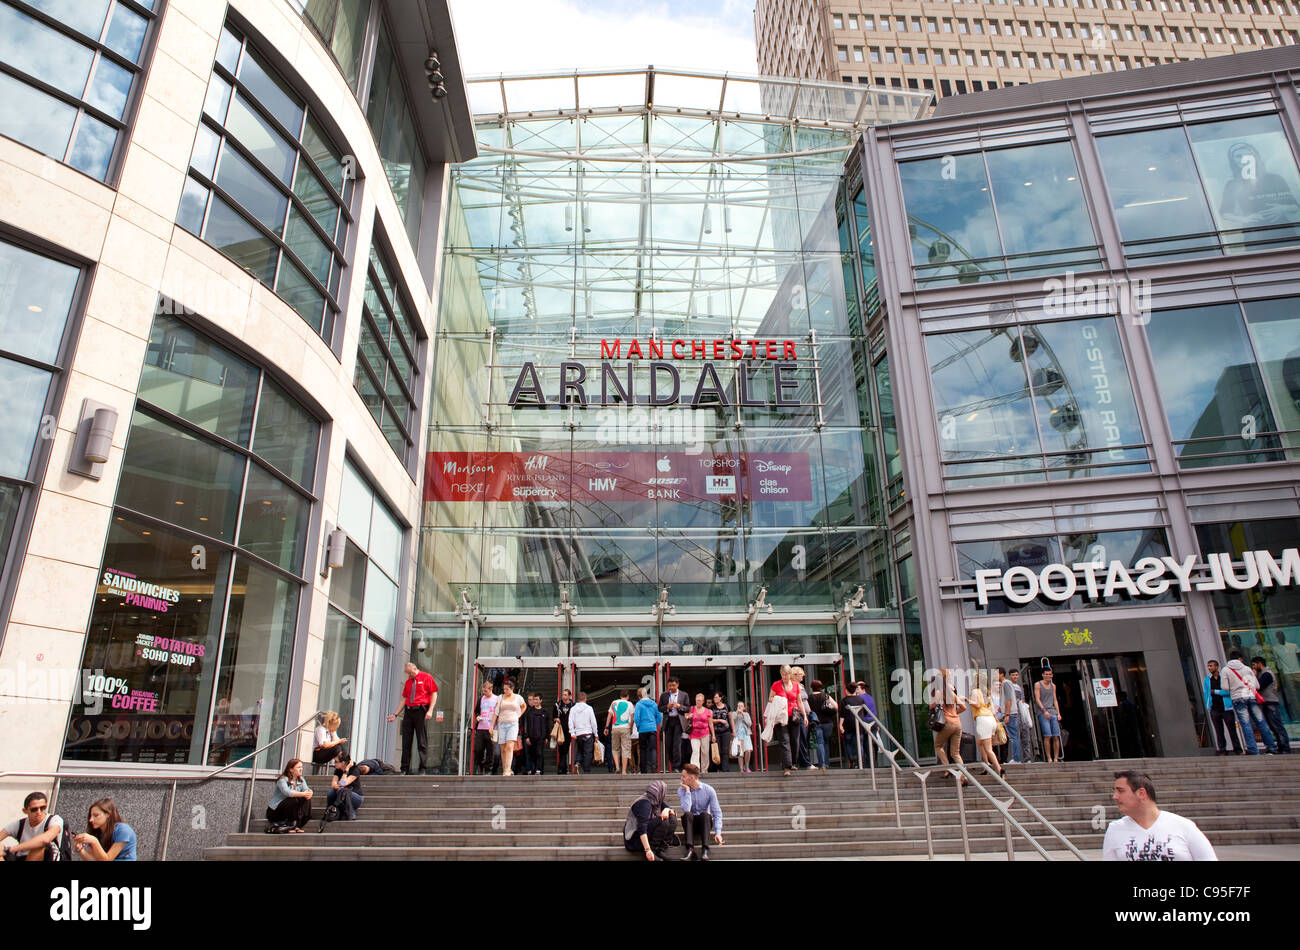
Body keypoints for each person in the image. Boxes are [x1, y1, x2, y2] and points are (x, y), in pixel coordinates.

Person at [1102, 771, 1217, 861]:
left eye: (1121, 791)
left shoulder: (1183, 826)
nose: (1115, 797)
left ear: (1141, 793)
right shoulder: (1115, 829)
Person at [386, 661, 437, 775]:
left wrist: (430, 710)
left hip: (421, 710)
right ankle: (404, 768)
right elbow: (404, 699)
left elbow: (434, 693)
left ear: (415, 668)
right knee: (406, 741)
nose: (409, 676)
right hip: (409, 711)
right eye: (408, 674)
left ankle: (422, 768)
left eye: (410, 673)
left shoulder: (426, 677)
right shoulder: (408, 682)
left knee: (421, 741)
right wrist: (395, 714)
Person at [1224, 650, 1278, 754]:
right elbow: (1257, 686)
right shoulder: (1247, 668)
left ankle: (1253, 750)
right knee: (1261, 721)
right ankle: (1271, 747)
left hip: (1238, 698)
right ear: (1240, 659)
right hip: (1251, 696)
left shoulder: (1226, 670)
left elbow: (1225, 687)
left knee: (1245, 724)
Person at [677, 764, 724, 861]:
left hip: (704, 824)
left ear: (692, 778)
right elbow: (686, 809)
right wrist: (687, 791)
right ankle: (690, 849)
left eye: (684, 776)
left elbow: (717, 812)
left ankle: (705, 850)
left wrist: (718, 832)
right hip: (690, 824)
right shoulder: (682, 790)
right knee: (688, 815)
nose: (681, 779)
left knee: (705, 815)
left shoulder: (709, 790)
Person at [931, 668, 968, 784]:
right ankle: (964, 777)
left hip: (947, 724)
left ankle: (948, 768)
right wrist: (954, 714)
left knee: (937, 745)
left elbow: (932, 706)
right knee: (955, 753)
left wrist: (931, 704)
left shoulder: (939, 692)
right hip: (958, 724)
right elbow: (964, 707)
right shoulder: (951, 692)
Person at [623, 780, 677, 861]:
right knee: (663, 820)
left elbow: (673, 812)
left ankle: (660, 849)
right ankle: (653, 850)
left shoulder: (655, 799)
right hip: (635, 840)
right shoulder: (644, 803)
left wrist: (667, 809)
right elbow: (642, 828)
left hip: (646, 834)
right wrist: (648, 850)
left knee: (672, 818)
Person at [2, 792, 64, 861]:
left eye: (43, 808)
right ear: (25, 811)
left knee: (38, 846)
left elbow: (45, 839)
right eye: (34, 809)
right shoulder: (19, 824)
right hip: (21, 857)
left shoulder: (55, 820)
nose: (39, 812)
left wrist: (11, 849)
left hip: (46, 857)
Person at [1251, 656, 1291, 754]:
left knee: (1277, 726)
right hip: (1268, 703)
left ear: (1259, 663)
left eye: (1254, 665)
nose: (1253, 667)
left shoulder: (1267, 674)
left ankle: (1285, 748)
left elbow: (1258, 686)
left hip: (1270, 703)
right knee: (1274, 726)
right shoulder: (1265, 674)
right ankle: (1282, 747)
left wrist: (1254, 676)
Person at [768, 665, 802, 776]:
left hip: (794, 715)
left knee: (795, 741)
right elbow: (770, 698)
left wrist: (805, 716)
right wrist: (780, 699)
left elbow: (799, 701)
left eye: (786, 674)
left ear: (790, 674)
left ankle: (793, 763)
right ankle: (786, 767)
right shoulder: (776, 685)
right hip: (781, 716)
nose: (784, 677)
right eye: (782, 675)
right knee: (784, 741)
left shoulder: (796, 685)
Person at [1203, 659, 1242, 755]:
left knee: (1232, 729)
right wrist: (1208, 705)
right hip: (1214, 708)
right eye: (1208, 666)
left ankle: (1237, 749)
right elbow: (1206, 693)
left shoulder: (1223, 678)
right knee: (1219, 731)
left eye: (1211, 666)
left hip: (1226, 708)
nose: (1209, 668)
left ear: (1217, 667)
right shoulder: (1207, 679)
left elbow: (1229, 691)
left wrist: (1216, 691)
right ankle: (1222, 749)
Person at [266, 758, 313, 833]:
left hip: (291, 809)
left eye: (301, 767)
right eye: (298, 767)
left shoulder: (301, 779)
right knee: (293, 799)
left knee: (306, 799)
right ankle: (289, 825)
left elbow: (306, 790)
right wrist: (303, 794)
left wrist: (310, 793)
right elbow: (287, 793)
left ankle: (297, 825)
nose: (301, 769)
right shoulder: (282, 779)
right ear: (291, 769)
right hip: (275, 811)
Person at [491, 678, 527, 776]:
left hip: (513, 723)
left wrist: (518, 715)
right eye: (504, 689)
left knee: (510, 746)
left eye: (507, 689)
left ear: (512, 688)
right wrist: (491, 725)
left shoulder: (518, 697)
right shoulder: (500, 697)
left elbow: (524, 706)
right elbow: (496, 712)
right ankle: (506, 768)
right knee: (503, 748)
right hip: (501, 723)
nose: (505, 691)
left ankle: (507, 770)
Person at [970, 684, 1003, 778]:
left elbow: (976, 705)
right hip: (991, 720)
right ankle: (986, 765)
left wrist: (967, 700)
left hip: (982, 720)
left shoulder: (975, 691)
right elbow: (993, 711)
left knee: (988, 749)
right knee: (979, 742)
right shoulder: (987, 694)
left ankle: (999, 769)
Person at [658, 678, 690, 771]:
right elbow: (659, 708)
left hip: (678, 721)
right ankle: (673, 764)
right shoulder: (664, 695)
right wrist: (667, 707)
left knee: (677, 745)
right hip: (668, 721)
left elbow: (688, 708)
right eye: (670, 685)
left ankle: (676, 766)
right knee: (669, 745)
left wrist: (680, 706)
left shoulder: (684, 695)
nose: (671, 687)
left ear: (677, 684)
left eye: (673, 685)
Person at [1035, 667, 1062, 763]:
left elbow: (1055, 699)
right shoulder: (1038, 685)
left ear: (1052, 675)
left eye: (1049, 674)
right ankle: (1049, 757)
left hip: (1053, 712)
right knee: (1047, 735)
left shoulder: (1053, 686)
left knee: (1056, 735)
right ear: (1042, 675)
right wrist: (1044, 710)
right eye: (1046, 674)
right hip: (1043, 712)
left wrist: (1058, 713)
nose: (1048, 676)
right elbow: (1037, 698)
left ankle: (1056, 757)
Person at [472, 680, 498, 774]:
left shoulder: (497, 699)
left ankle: (488, 769)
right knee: (478, 749)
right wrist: (477, 716)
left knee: (491, 750)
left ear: (491, 689)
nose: (484, 693)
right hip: (481, 728)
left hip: (492, 728)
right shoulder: (481, 699)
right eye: (483, 691)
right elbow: (477, 711)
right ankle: (479, 765)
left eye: (486, 691)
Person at [568, 691, 599, 773]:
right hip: (588, 733)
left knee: (580, 750)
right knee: (587, 752)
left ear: (577, 699)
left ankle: (577, 763)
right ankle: (587, 770)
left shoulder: (573, 709)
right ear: (585, 699)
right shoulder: (589, 708)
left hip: (578, 734)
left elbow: (570, 721)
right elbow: (593, 722)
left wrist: (572, 733)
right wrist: (596, 734)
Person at [995, 668, 1021, 765]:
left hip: (1011, 714)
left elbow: (1009, 700)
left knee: (1013, 737)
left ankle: (1017, 759)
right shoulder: (1006, 684)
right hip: (1010, 713)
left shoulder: (1006, 683)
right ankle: (1016, 758)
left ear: (1001, 674)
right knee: (1013, 737)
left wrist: (1007, 714)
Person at [328, 752, 364, 820]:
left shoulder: (355, 770)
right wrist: (338, 785)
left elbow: (342, 784)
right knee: (331, 793)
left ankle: (350, 813)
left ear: (343, 763)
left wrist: (346, 771)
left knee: (341, 791)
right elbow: (333, 784)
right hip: (341, 794)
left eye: (336, 762)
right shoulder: (338, 770)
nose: (334, 763)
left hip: (356, 797)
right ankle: (332, 811)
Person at [633, 687, 662, 773]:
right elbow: (659, 715)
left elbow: (636, 718)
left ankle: (644, 769)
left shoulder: (638, 704)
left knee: (643, 749)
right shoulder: (654, 703)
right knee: (653, 748)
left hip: (642, 729)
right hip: (652, 729)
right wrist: (654, 724)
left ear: (639, 696)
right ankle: (654, 766)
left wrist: (638, 726)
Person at [839, 682, 867, 767]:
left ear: (846, 690)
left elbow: (842, 715)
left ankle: (852, 761)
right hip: (859, 723)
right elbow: (865, 712)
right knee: (860, 743)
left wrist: (840, 725)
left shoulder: (844, 700)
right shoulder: (860, 699)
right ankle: (860, 761)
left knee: (848, 743)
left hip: (848, 724)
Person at [521, 692, 550, 775]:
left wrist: (547, 737)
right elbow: (526, 724)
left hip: (541, 737)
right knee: (532, 754)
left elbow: (547, 726)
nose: (535, 701)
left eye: (537, 699)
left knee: (539, 753)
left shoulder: (545, 712)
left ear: (541, 700)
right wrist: (526, 736)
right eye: (534, 699)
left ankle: (539, 769)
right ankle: (533, 769)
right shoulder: (529, 712)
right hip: (531, 736)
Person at [606, 689, 634, 774]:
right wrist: (631, 728)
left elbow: (609, 716)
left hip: (615, 728)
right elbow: (632, 719)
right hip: (625, 728)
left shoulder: (614, 702)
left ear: (620, 695)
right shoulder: (630, 704)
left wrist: (606, 727)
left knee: (615, 748)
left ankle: (617, 767)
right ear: (628, 696)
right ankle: (624, 771)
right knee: (625, 749)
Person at [792, 667, 813, 769]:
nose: (803, 675)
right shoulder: (792, 686)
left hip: (805, 715)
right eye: (801, 674)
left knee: (804, 738)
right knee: (801, 739)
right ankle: (805, 762)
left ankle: (803, 761)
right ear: (795, 674)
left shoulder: (801, 686)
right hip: (798, 715)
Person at [687, 693, 715, 770]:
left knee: (705, 752)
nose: (698, 702)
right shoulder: (692, 708)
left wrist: (713, 735)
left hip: (705, 733)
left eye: (699, 701)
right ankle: (695, 769)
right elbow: (685, 716)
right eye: (697, 700)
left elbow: (710, 723)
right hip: (694, 733)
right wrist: (688, 717)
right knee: (695, 751)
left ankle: (704, 769)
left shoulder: (707, 711)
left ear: (703, 701)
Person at [709, 692, 733, 773]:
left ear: (720, 698)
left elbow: (731, 719)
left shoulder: (727, 707)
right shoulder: (712, 708)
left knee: (725, 750)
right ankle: (717, 768)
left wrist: (734, 731)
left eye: (716, 697)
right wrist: (719, 720)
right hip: (716, 732)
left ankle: (725, 769)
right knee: (717, 750)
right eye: (714, 697)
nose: (715, 699)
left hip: (726, 731)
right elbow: (710, 721)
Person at [555, 689, 575, 774]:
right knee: (561, 749)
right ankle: (563, 768)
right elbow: (554, 716)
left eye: (566, 695)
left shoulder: (573, 705)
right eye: (563, 695)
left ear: (569, 696)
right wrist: (556, 719)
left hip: (569, 730)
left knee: (565, 749)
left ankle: (561, 768)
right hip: (560, 730)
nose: (564, 696)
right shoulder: (557, 705)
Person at [733, 700, 753, 772]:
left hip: (746, 734)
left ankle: (747, 766)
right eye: (739, 706)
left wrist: (743, 715)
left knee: (748, 750)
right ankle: (741, 768)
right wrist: (737, 713)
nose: (740, 707)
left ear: (744, 707)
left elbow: (749, 724)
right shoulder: (734, 714)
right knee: (740, 752)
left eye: (741, 706)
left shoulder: (746, 714)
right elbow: (732, 720)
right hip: (738, 735)